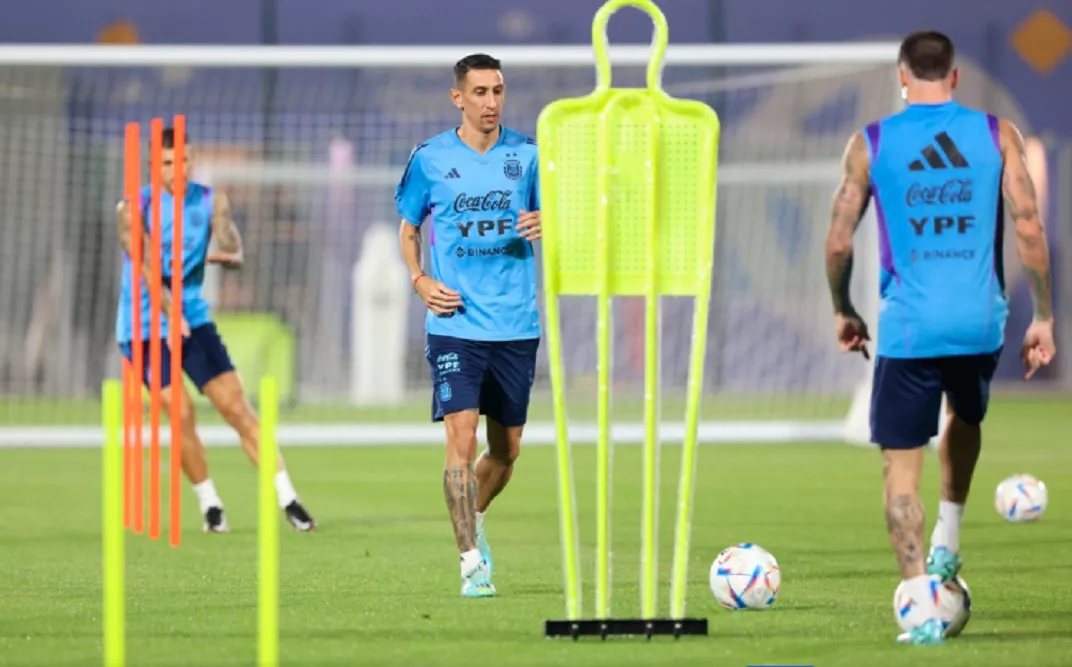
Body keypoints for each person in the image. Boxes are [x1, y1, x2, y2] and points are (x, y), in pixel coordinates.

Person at [823, 30, 1055, 646]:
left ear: (903, 76)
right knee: (965, 416)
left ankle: (921, 607)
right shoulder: (997, 134)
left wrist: (844, 310)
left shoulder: (871, 143)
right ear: (954, 77)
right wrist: (1044, 316)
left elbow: (840, 240)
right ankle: (949, 536)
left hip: (909, 328)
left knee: (901, 471)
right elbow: (1029, 227)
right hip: (980, 324)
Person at [115, 127, 316, 534]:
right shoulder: (133, 209)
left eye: (184, 160)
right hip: (145, 329)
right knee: (181, 413)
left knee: (237, 409)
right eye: (168, 162)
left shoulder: (210, 200)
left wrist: (228, 244)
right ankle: (210, 504)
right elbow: (149, 272)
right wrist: (172, 315)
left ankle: (289, 499)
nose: (178, 169)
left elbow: (231, 245)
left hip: (193, 321)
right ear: (154, 166)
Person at [395, 53, 542, 598]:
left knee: (507, 452)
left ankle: (473, 518)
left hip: (516, 324)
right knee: (461, 436)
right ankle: (469, 563)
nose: (491, 101)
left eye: (497, 91)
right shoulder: (430, 158)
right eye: (480, 92)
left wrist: (550, 221)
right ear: (458, 98)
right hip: (454, 321)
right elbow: (409, 228)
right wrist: (419, 280)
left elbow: (564, 219)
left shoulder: (528, 155)